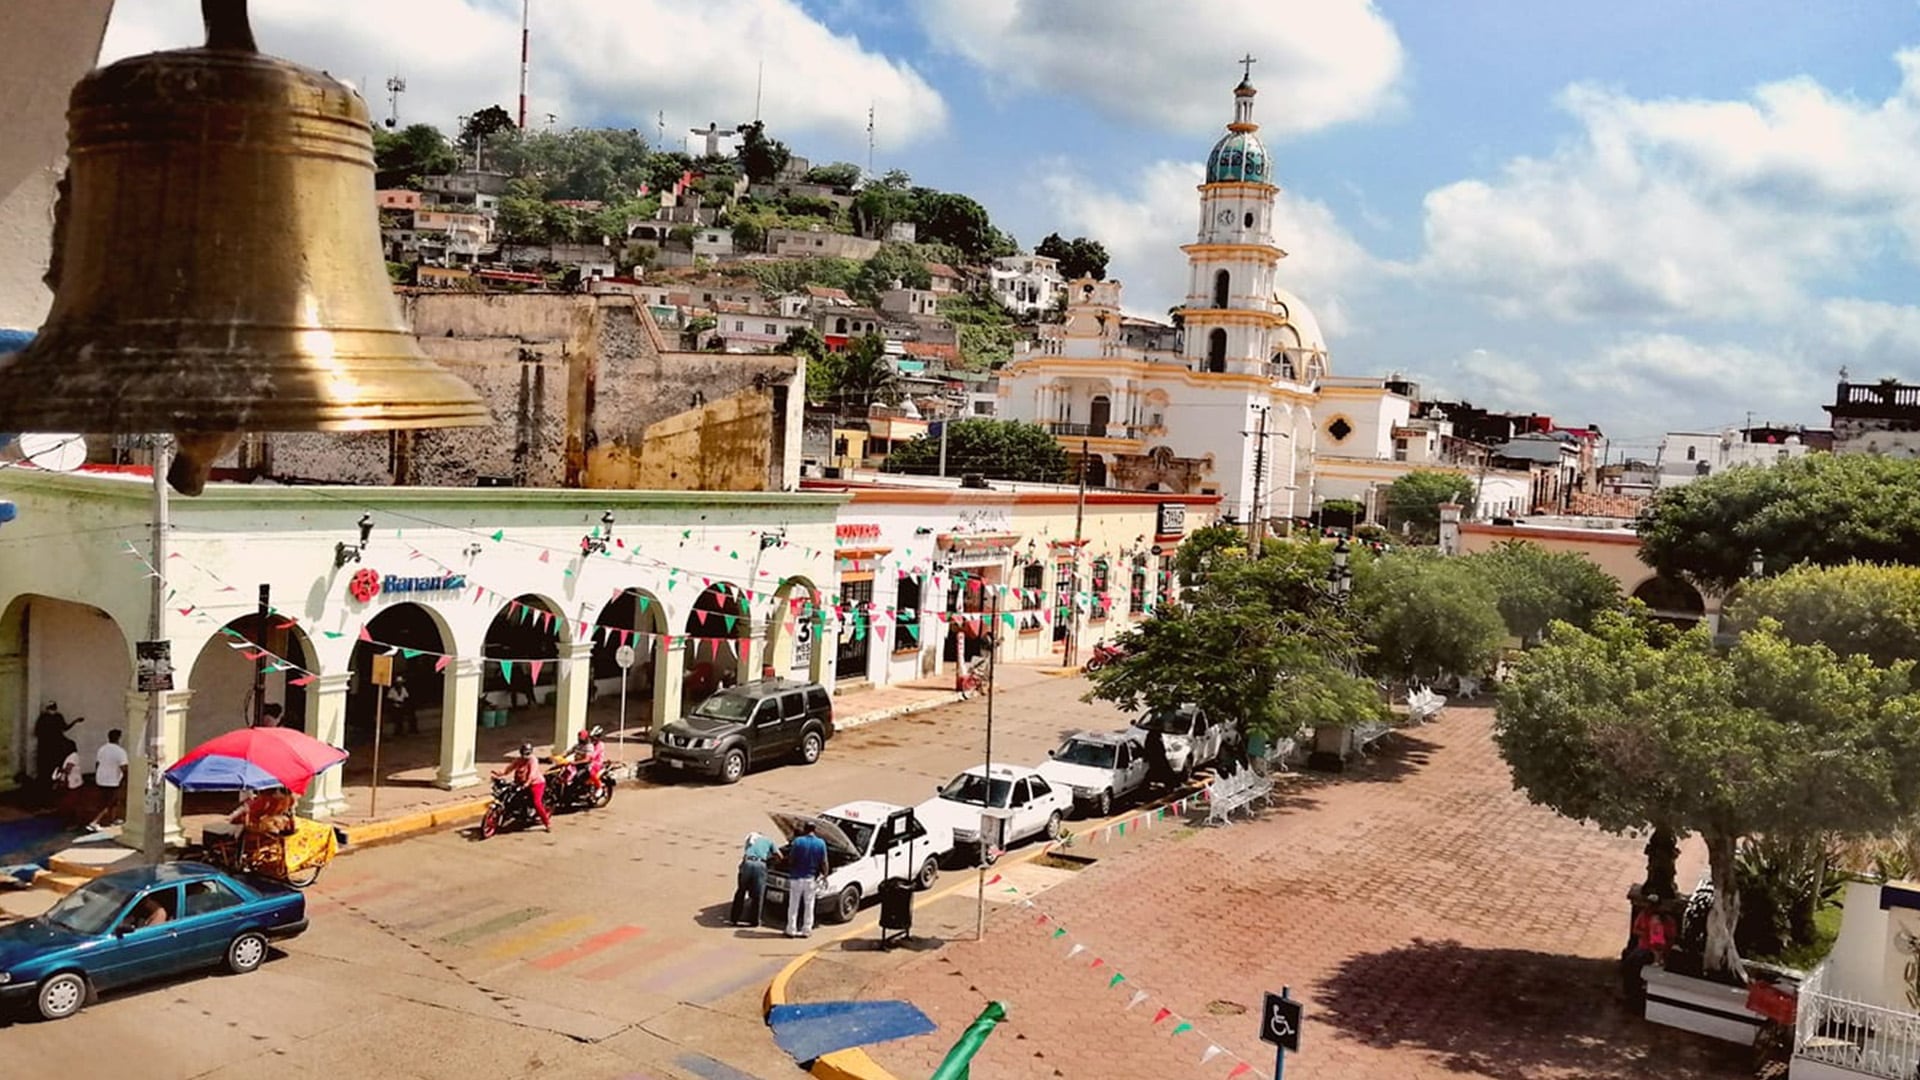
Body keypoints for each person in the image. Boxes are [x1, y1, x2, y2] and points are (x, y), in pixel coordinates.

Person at [783, 820, 829, 939]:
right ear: (814, 830)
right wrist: (825, 875)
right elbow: (824, 862)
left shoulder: (798, 841)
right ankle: (806, 930)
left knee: (793, 905)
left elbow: (791, 859)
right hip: (810, 879)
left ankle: (791, 930)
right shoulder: (821, 843)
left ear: (804, 829)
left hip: (796, 878)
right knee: (809, 906)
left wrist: (791, 868)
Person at [492, 743, 550, 832]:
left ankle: (546, 823)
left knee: (536, 802)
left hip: (536, 783)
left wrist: (527, 783)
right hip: (520, 783)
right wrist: (500, 773)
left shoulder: (533, 760)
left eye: (526, 754)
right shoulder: (519, 760)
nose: (524, 756)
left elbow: (532, 774)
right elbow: (509, 768)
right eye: (523, 754)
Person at [33, 701, 81, 805]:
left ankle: (44, 797)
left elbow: (37, 732)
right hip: (55, 749)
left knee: (45, 773)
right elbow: (65, 728)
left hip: (45, 749)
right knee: (53, 773)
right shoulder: (57, 717)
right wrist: (75, 721)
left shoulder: (44, 718)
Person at [730, 831, 777, 927]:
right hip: (760, 865)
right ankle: (754, 921)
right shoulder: (769, 841)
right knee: (758, 895)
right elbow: (778, 855)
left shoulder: (751, 840)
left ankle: (734, 918)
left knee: (741, 891)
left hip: (747, 863)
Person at [85, 729, 128, 831]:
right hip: (112, 780)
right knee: (109, 802)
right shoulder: (120, 752)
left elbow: (97, 764)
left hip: (101, 779)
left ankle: (112, 820)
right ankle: (94, 822)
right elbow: (124, 768)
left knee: (110, 801)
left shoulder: (102, 749)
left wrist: (97, 775)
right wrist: (126, 780)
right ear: (119, 738)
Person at [52, 738, 86, 825]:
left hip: (74, 782)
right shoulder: (70, 756)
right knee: (71, 802)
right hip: (72, 782)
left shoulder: (73, 756)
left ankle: (74, 821)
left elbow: (68, 770)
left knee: (72, 803)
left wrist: (59, 770)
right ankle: (72, 820)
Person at [1143, 725, 1177, 790]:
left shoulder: (1151, 736)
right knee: (1164, 772)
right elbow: (1159, 748)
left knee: (1156, 772)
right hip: (1157, 758)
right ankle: (1171, 785)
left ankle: (1170, 785)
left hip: (1155, 758)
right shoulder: (1154, 737)